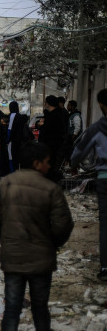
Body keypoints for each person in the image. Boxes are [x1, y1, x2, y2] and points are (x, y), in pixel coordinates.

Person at [0, 141, 73, 331]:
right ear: (36, 163)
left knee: (12, 307)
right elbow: (63, 225)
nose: (49, 166)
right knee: (40, 307)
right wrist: (51, 243)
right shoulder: (51, 189)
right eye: (47, 162)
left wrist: (5, 238)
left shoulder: (4, 184)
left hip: (13, 257)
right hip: (41, 260)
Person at [71, 89, 107, 281]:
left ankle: (106, 267)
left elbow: (78, 153)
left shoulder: (96, 129)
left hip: (104, 178)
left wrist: (74, 164)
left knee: (105, 223)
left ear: (101, 105)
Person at [36, 95, 69, 180]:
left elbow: (52, 130)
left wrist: (42, 126)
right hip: (47, 146)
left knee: (50, 168)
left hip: (53, 146)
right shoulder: (49, 114)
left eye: (45, 102)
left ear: (48, 103)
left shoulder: (58, 115)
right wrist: (40, 125)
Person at [7, 101, 32, 173]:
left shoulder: (13, 115)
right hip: (21, 143)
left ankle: (14, 177)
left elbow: (9, 129)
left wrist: (7, 140)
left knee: (12, 161)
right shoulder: (21, 117)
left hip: (13, 142)